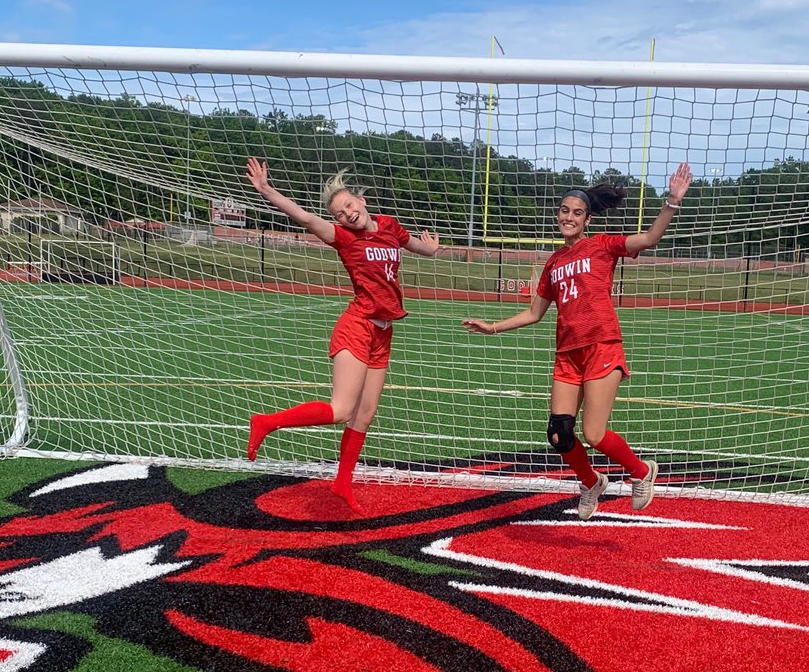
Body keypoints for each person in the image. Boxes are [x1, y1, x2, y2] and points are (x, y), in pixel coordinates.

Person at [463, 163, 692, 519]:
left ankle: (642, 471)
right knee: (559, 434)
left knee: (595, 433)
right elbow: (534, 313)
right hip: (567, 354)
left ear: (587, 221)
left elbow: (647, 240)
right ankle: (590, 482)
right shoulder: (554, 262)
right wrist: (492, 327)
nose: (569, 217)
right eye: (565, 211)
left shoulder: (602, 246)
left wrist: (672, 202)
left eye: (577, 213)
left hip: (601, 345)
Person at [245, 157, 441, 513]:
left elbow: (416, 246)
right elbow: (304, 217)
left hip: (384, 332)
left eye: (349, 204)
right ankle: (266, 423)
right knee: (342, 409)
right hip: (357, 326)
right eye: (339, 212)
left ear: (362, 202)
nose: (347, 213)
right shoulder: (344, 238)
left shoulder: (389, 226)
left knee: (364, 415)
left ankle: (342, 482)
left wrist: (432, 248)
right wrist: (266, 189)